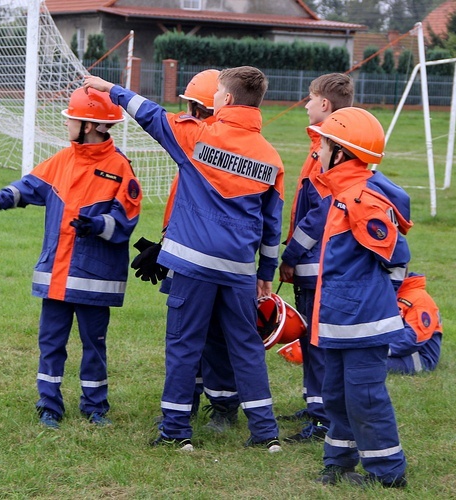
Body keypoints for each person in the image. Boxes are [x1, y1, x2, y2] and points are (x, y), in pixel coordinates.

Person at [84, 66, 284, 452]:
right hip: (241, 271)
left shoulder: (197, 136)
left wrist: (111, 89)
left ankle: (176, 431)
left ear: (224, 99)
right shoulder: (271, 158)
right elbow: (272, 226)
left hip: (193, 267)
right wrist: (266, 273)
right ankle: (265, 433)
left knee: (183, 345)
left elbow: (150, 114)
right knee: (246, 348)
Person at [0, 87, 141, 429]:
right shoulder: (63, 160)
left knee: (94, 344)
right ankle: (49, 404)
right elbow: (29, 186)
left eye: (72, 119)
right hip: (55, 278)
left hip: (95, 278)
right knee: (51, 343)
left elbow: (126, 219)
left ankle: (95, 406)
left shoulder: (120, 167)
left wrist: (97, 226)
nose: (68, 125)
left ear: (88, 125)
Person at [307, 107, 412, 488]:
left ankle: (388, 474)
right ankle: (338, 462)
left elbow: (397, 257)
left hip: (363, 325)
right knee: (335, 396)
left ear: (341, 153)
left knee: (365, 398)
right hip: (339, 320)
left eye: (322, 144)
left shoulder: (361, 200)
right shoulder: (341, 193)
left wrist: (381, 302)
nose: (316, 151)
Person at [134, 69, 241, 433]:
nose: (188, 116)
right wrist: (165, 248)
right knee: (187, 335)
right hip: (187, 256)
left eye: (194, 109)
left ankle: (224, 406)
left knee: (215, 336)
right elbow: (185, 210)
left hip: (214, 265)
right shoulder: (195, 151)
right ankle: (188, 403)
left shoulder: (215, 152)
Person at [278, 73, 354, 443]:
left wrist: (290, 252)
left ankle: (324, 418)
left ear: (325, 104)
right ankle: (314, 405)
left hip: (318, 264)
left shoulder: (333, 147)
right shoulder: (323, 145)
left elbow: (321, 211)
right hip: (313, 264)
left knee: (318, 341)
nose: (304, 104)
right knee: (310, 339)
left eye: (309, 98)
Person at [388, 271, 443, 374]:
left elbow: (412, 339)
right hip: (394, 351)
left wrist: (378, 350)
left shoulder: (420, 300)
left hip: (418, 358)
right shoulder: (391, 292)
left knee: (366, 365)